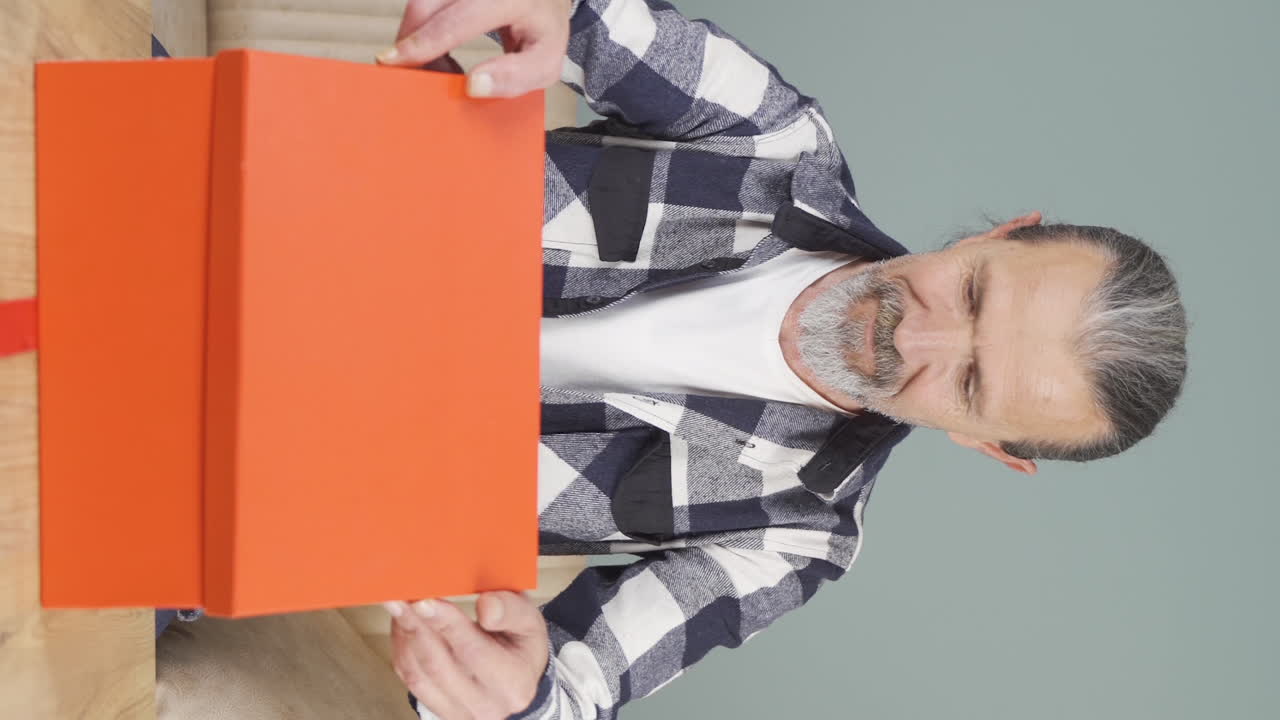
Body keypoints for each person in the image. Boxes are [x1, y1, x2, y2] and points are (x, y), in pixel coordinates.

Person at [376, 1, 1189, 718]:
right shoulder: (777, 142)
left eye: (970, 382)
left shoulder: (798, 537)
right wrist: (545, 17)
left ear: (986, 446)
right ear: (995, 235)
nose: (913, 338)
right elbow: (593, 22)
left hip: (305, 472)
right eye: (973, 294)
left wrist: (516, 698)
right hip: (289, 231)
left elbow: (579, 689)